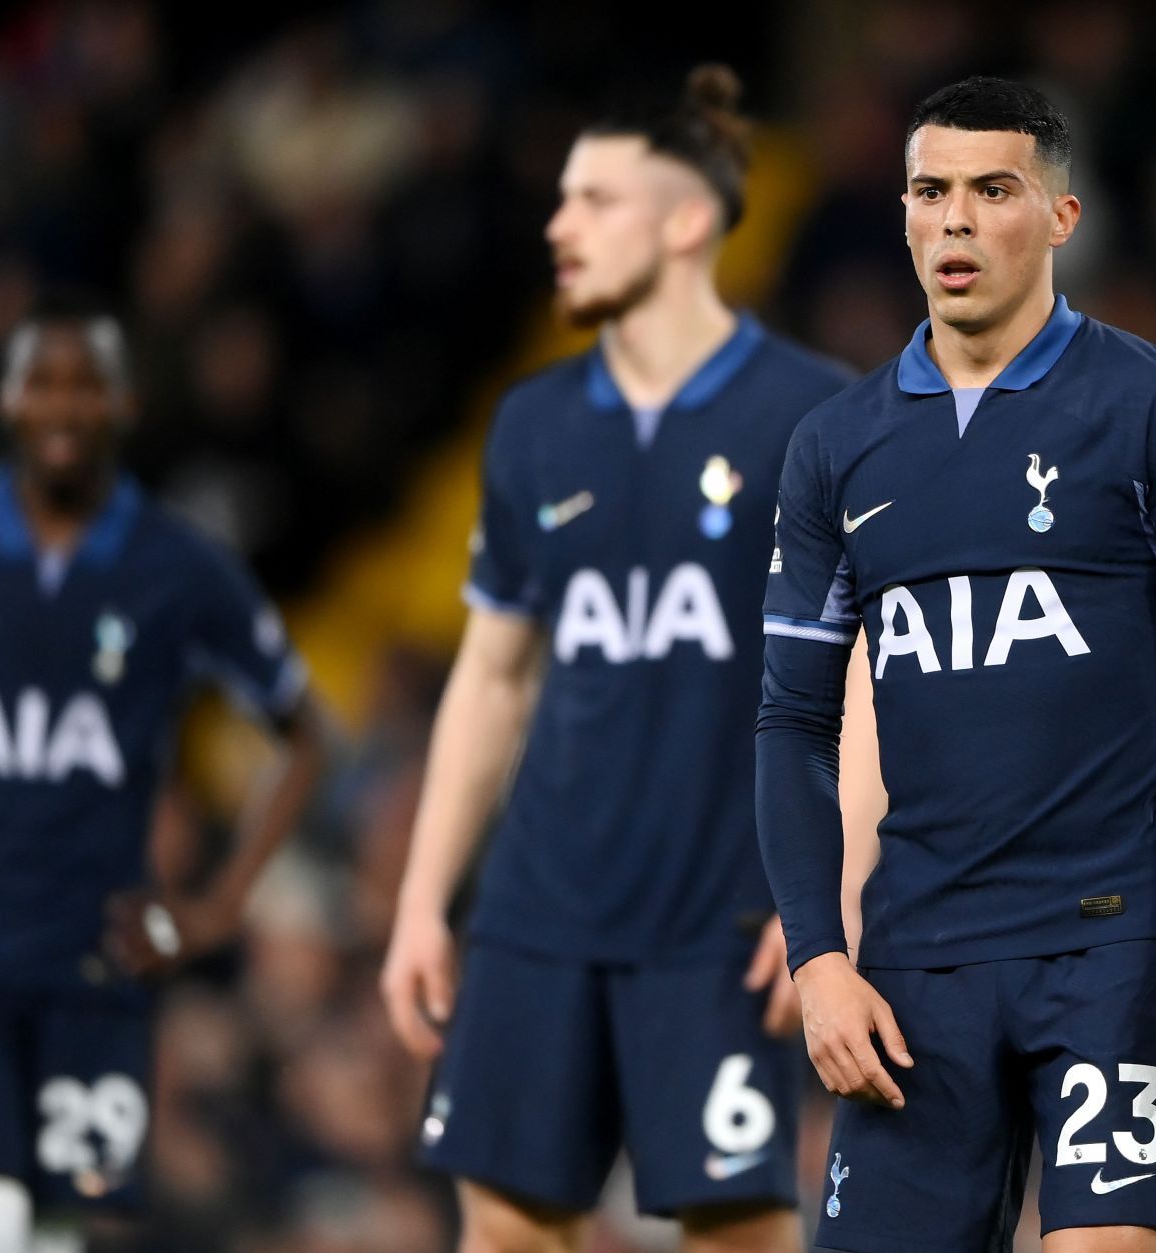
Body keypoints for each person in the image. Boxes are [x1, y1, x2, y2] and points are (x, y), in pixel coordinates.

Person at [756, 76, 1156, 1253]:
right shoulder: (836, 449)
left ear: (1061, 217)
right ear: (901, 214)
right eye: (930, 191)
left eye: (992, 190)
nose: (954, 220)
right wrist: (819, 956)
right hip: (914, 962)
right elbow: (792, 723)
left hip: (1113, 935)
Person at [378, 66, 849, 1253]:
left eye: (593, 199)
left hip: (722, 915)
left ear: (686, 222)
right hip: (540, 908)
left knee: (738, 1228)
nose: (557, 225)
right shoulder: (533, 422)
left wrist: (833, 898)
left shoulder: (815, 418)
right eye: (560, 198)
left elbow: (875, 681)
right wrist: (426, 899)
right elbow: (492, 674)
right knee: (504, 1225)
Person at [0, 294, 328, 1252]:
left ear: (123, 405)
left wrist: (217, 904)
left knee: (56, 1232)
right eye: (40, 383)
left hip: (101, 949)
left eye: (84, 384)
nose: (62, 405)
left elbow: (303, 731)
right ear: (6, 402)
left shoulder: (177, 565)